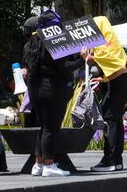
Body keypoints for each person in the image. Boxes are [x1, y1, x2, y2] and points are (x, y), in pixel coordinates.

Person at [21, 11, 83, 178]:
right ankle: (49, 165)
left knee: (43, 127)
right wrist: (82, 58)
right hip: (52, 89)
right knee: (51, 128)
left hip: (35, 89)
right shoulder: (54, 41)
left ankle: (38, 164)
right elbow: (65, 67)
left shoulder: (31, 42)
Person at [82, 15, 127, 173]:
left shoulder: (107, 45)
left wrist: (88, 59)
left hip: (119, 85)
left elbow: (117, 67)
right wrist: (102, 77)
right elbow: (109, 65)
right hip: (119, 85)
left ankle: (109, 160)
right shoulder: (108, 43)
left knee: (109, 120)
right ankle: (116, 160)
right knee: (115, 120)